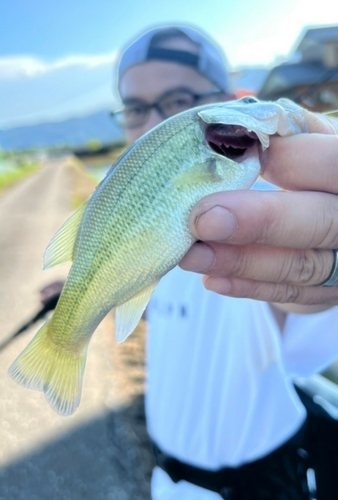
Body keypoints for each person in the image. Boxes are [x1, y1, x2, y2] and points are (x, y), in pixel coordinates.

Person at [115, 25, 338, 500]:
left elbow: (303, 300)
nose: (154, 123)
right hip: (167, 481)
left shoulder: (267, 200)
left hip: (263, 483)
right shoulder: (146, 226)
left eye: (178, 100)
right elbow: (167, 302)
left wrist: (324, 273)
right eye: (135, 108)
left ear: (228, 101)